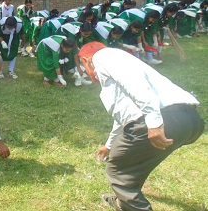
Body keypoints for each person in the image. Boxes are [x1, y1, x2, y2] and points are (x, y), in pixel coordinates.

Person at [78, 42, 204, 211]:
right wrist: (109, 145)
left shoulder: (103, 56)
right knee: (130, 161)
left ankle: (131, 203)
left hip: (160, 119)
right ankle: (123, 202)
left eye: (83, 66)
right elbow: (124, 117)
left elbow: (134, 82)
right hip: (188, 121)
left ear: (87, 60)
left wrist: (154, 122)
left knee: (117, 170)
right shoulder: (116, 69)